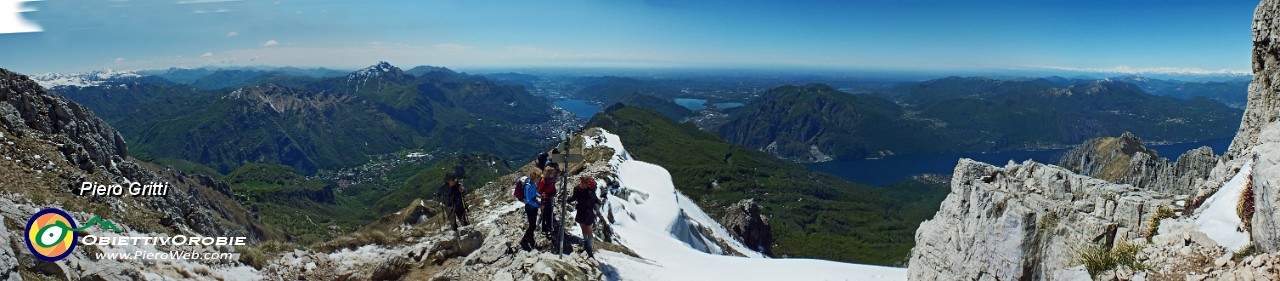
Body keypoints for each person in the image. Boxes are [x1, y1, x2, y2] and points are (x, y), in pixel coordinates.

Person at [568, 177, 601, 258]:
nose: (587, 186)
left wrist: (598, 202)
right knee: (583, 228)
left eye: (588, 184)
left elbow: (595, 199)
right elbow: (574, 197)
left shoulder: (590, 190)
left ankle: (589, 248)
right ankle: (586, 243)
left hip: (588, 212)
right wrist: (567, 199)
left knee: (589, 230)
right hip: (581, 211)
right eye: (586, 184)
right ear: (581, 183)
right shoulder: (577, 189)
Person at [519, 169, 542, 251]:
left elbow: (535, 192)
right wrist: (538, 205)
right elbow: (528, 200)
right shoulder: (528, 186)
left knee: (533, 224)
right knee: (532, 225)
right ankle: (524, 241)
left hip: (534, 206)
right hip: (530, 207)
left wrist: (540, 196)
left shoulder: (533, 184)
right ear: (535, 177)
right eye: (539, 177)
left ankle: (530, 238)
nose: (540, 178)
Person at [537, 165, 560, 249]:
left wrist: (553, 193)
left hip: (550, 198)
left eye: (552, 173)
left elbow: (553, 188)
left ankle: (549, 228)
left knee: (549, 213)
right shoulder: (543, 181)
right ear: (547, 173)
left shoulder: (551, 180)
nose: (552, 174)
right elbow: (539, 192)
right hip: (544, 199)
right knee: (544, 214)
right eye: (551, 173)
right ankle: (544, 229)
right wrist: (544, 195)